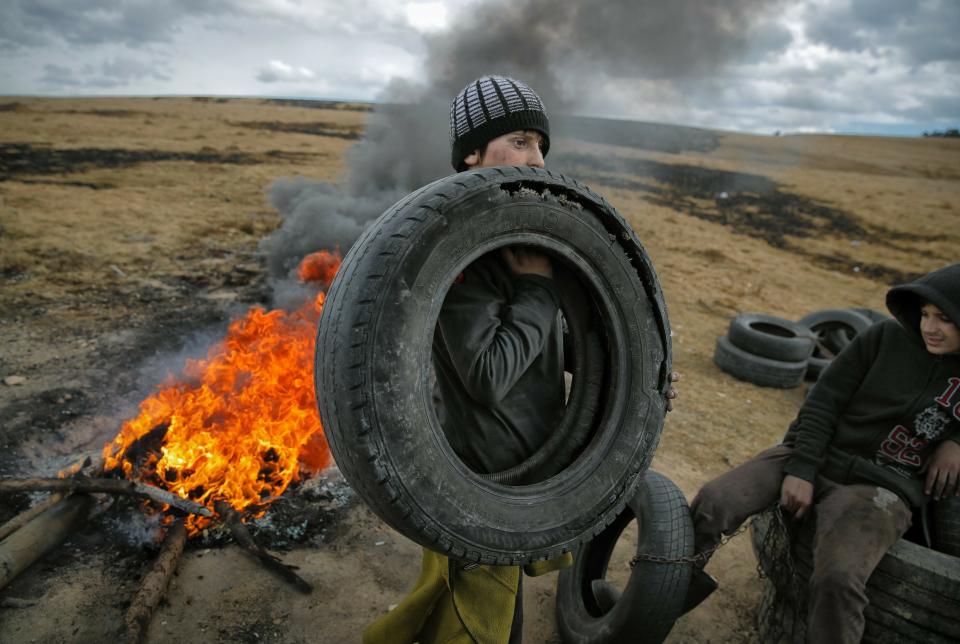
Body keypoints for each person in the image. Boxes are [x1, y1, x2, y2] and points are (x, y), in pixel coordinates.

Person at [363, 75, 679, 644]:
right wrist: (536, 290)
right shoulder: (461, 257)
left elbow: (561, 350)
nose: (535, 160)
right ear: (471, 154)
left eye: (540, 145)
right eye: (519, 141)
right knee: (475, 623)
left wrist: (640, 386)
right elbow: (488, 377)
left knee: (482, 613)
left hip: (534, 462)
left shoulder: (529, 242)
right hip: (483, 475)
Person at [686, 262, 960, 643]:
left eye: (945, 319)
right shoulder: (883, 338)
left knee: (838, 578)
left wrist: (957, 443)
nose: (930, 327)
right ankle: (657, 603)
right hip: (814, 452)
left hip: (879, 491)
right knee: (714, 502)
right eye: (926, 315)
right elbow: (823, 400)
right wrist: (802, 469)